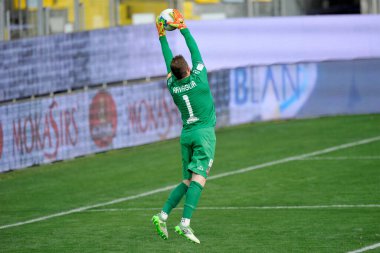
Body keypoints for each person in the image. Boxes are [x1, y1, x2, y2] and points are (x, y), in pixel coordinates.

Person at [151, 9, 216, 244]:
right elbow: (195, 51)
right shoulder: (198, 79)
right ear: (188, 69)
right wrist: (183, 27)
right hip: (203, 134)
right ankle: (185, 224)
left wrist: (162, 36)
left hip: (186, 134)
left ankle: (162, 215)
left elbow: (169, 61)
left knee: (187, 181)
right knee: (199, 179)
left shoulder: (172, 84)